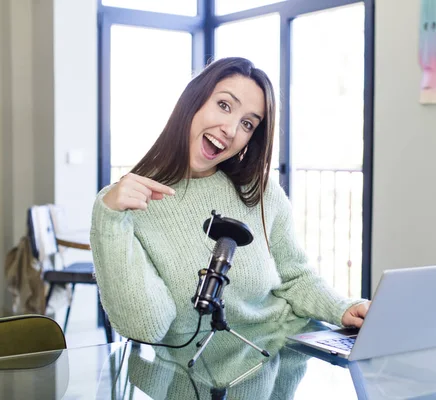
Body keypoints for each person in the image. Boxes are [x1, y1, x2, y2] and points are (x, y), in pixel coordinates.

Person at [90, 57, 369, 343]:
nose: (231, 130)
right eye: (224, 105)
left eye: (247, 124)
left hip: (283, 358)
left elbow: (295, 278)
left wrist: (342, 307)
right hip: (192, 374)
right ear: (192, 101)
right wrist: (109, 217)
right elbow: (148, 327)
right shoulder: (124, 205)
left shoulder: (260, 191)